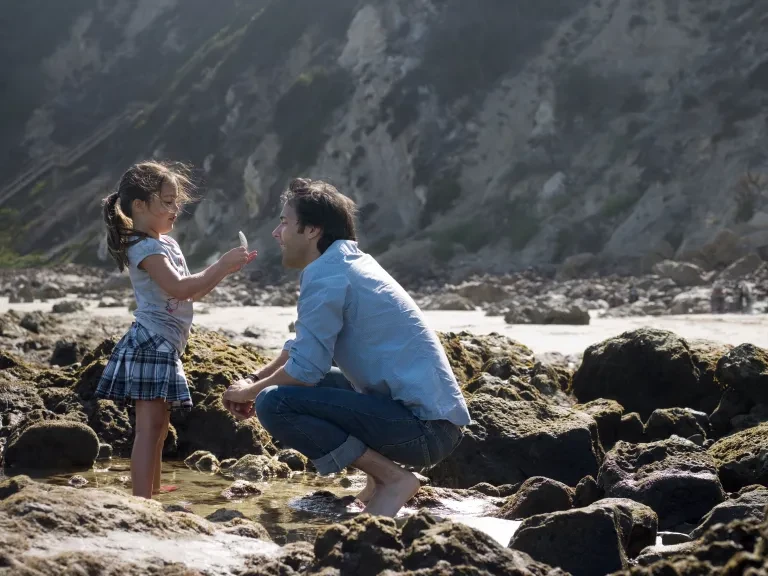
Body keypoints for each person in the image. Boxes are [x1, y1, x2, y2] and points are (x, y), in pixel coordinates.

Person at [222, 178, 470, 517]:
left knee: (274, 402)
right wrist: (251, 380)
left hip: (423, 433)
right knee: (295, 385)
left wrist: (252, 392)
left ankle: (393, 478)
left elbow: (305, 371)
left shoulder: (327, 276)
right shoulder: (346, 262)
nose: (276, 233)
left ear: (311, 230)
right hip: (430, 424)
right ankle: (376, 481)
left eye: (283, 221)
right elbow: (301, 345)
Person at [97, 161, 257, 499]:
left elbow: (193, 292)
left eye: (176, 202)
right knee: (149, 427)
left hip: (167, 343)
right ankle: (143, 498)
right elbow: (180, 287)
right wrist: (221, 263)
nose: (175, 209)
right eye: (167, 202)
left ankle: (152, 487)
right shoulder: (143, 248)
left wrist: (225, 271)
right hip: (151, 341)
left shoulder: (167, 244)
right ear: (140, 206)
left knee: (159, 426)